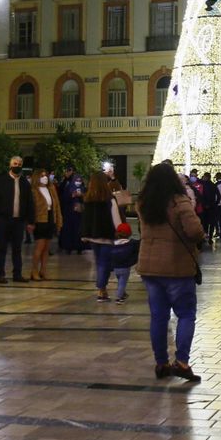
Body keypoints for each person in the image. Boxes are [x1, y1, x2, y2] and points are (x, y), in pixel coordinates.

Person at [136, 162, 204, 383]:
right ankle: (182, 362)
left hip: (149, 267)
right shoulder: (180, 202)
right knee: (185, 314)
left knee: (158, 316)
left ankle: (161, 363)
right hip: (176, 268)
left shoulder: (144, 203)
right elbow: (195, 231)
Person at [82, 172, 132, 303]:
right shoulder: (109, 199)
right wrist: (121, 231)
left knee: (100, 262)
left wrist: (84, 234)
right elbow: (116, 218)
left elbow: (85, 219)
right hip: (107, 237)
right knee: (105, 264)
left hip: (93, 237)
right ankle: (101, 290)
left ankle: (103, 289)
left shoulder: (88, 199)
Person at [0, 156, 34, 284]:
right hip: (4, 220)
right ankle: (0, 274)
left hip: (19, 221)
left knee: (17, 248)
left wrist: (30, 221)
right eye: (15, 163)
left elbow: (30, 202)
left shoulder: (24, 182)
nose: (17, 166)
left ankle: (17, 274)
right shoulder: (1, 181)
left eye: (19, 164)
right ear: (10, 165)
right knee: (2, 248)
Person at [28, 168, 62, 282]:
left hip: (50, 218)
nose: (45, 177)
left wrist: (58, 221)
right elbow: (31, 208)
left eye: (46, 175)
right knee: (39, 247)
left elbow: (56, 205)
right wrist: (31, 222)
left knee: (47, 248)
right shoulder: (33, 190)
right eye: (42, 175)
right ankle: (34, 271)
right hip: (40, 220)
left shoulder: (51, 188)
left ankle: (43, 270)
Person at [58, 166, 84, 254]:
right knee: (69, 230)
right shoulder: (67, 186)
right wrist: (71, 196)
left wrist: (81, 196)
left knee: (78, 230)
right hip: (69, 212)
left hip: (79, 213)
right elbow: (62, 197)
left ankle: (79, 247)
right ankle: (68, 247)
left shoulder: (81, 187)